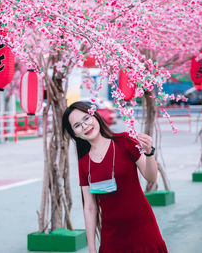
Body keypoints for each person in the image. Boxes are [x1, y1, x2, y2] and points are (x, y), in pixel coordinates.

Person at [62, 101, 167, 253]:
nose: (85, 126)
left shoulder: (124, 141)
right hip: (112, 235)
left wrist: (149, 152)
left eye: (86, 118)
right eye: (77, 125)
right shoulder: (84, 163)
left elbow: (151, 178)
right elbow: (90, 208)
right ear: (74, 134)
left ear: (95, 115)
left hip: (143, 227)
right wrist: (92, 249)